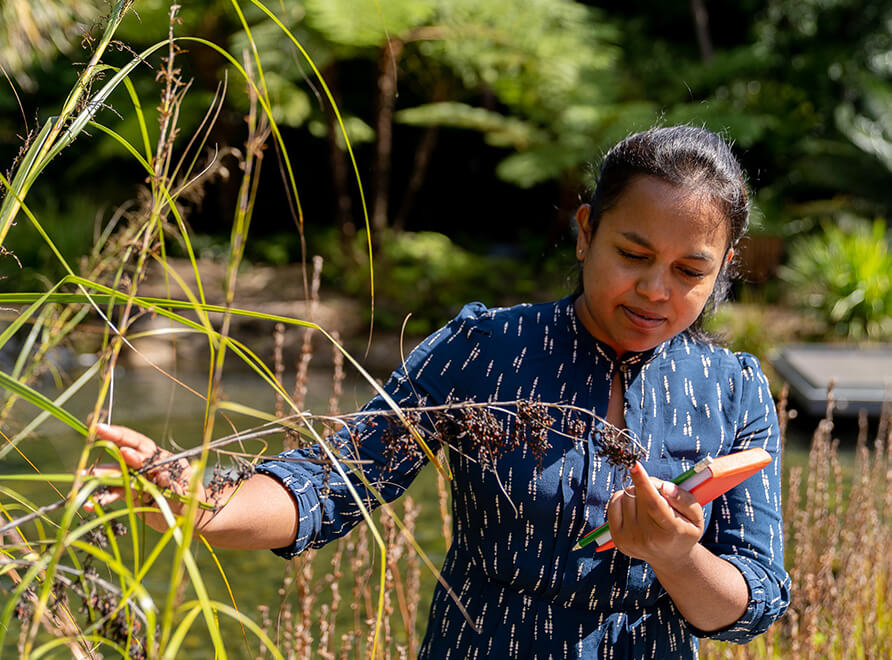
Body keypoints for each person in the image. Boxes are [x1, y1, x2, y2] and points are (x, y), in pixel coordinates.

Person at [88, 125, 791, 658]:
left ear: (725, 268)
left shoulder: (735, 392)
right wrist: (194, 502)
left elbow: (754, 601)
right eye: (633, 255)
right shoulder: (484, 350)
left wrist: (674, 556)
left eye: (689, 270)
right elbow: (335, 479)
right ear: (585, 233)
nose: (655, 289)